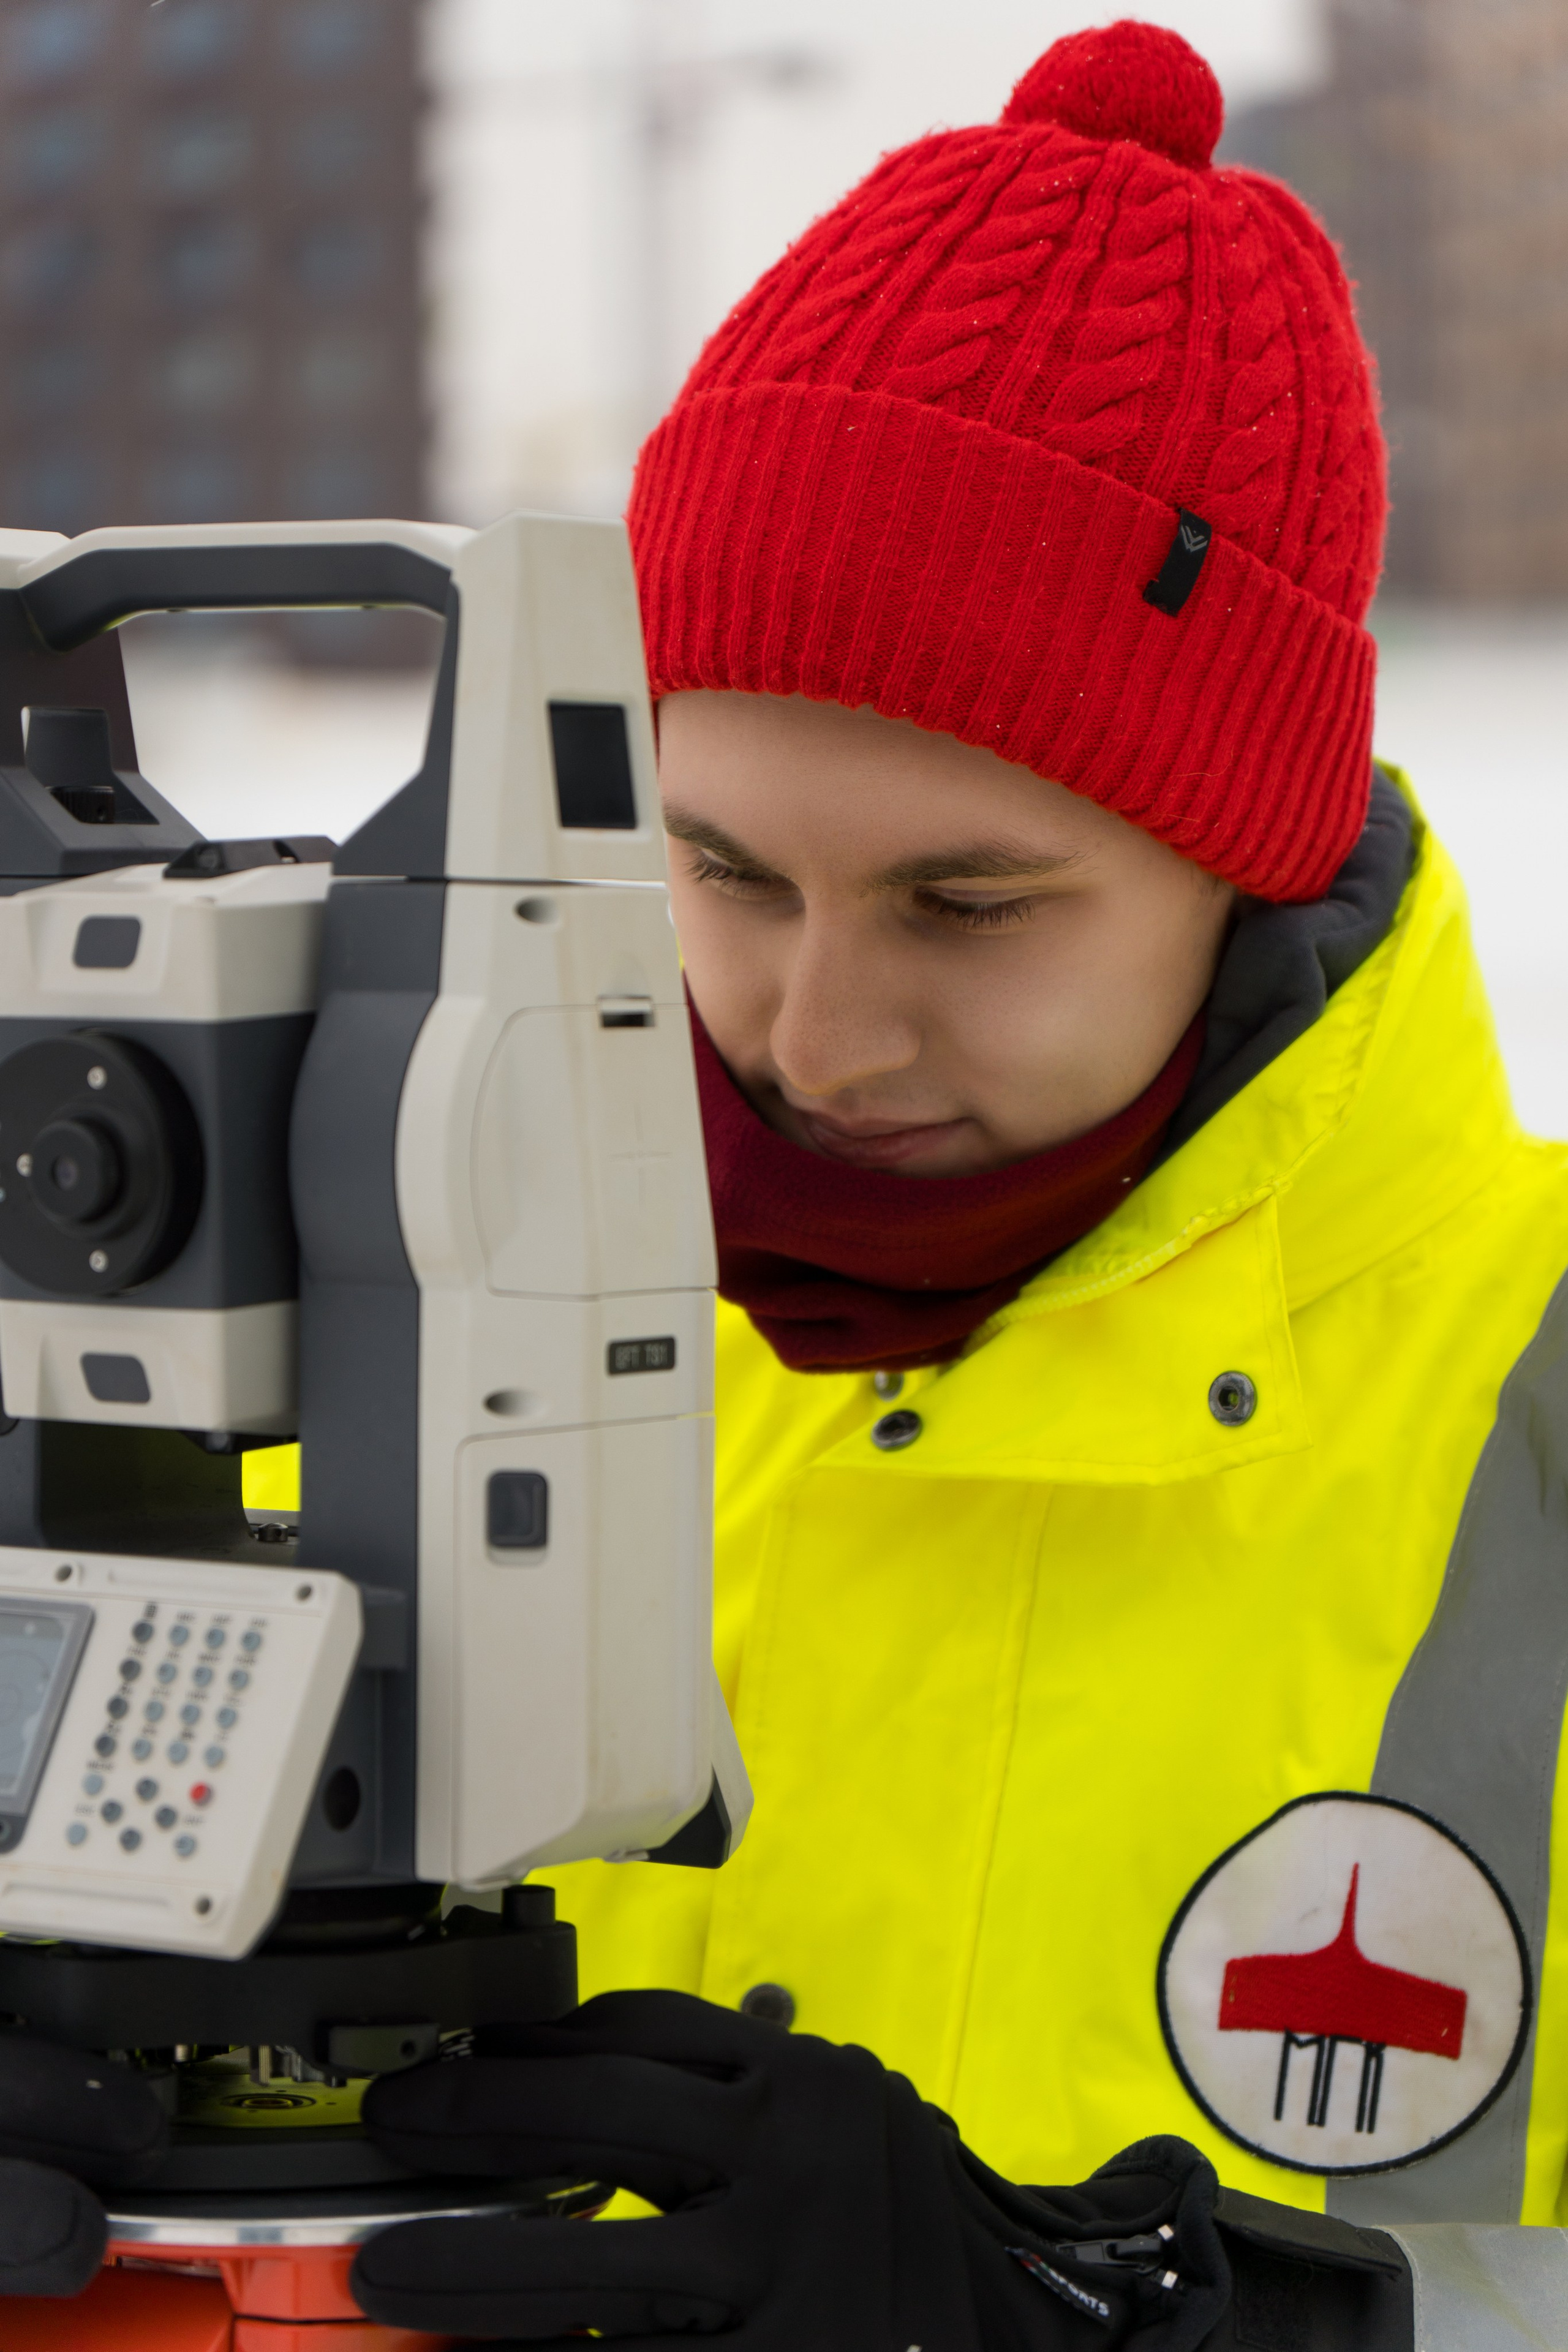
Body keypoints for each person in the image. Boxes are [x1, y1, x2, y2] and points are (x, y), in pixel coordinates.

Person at [7, 20, 1566, 2347]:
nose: (813, 1040)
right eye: (720, 871)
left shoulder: (1524, 1402)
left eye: (969, 906)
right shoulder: (336, 1312)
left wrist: (1163, 2318)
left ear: (1244, 868)